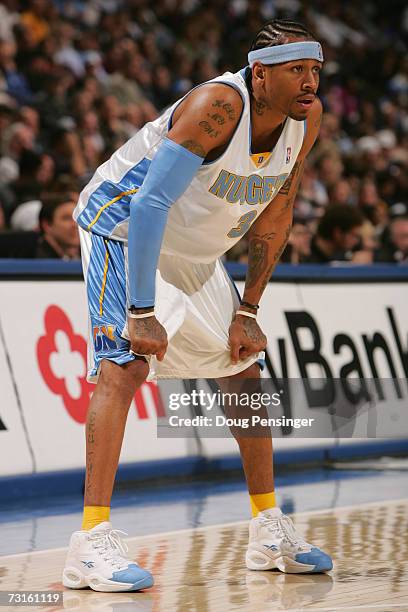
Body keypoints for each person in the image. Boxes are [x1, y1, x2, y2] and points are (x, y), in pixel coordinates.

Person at [63, 19, 332, 593]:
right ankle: (89, 544)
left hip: (193, 252)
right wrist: (140, 309)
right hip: (123, 226)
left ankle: (266, 528)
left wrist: (250, 310)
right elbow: (149, 204)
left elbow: (278, 212)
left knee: (243, 371)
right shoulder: (218, 105)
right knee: (125, 364)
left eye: (315, 70)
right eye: (296, 70)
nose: (310, 82)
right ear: (260, 75)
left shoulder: (305, 122)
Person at [35, 194, 80, 259]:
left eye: (78, 218)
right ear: (47, 225)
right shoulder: (34, 262)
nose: (75, 225)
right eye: (66, 218)